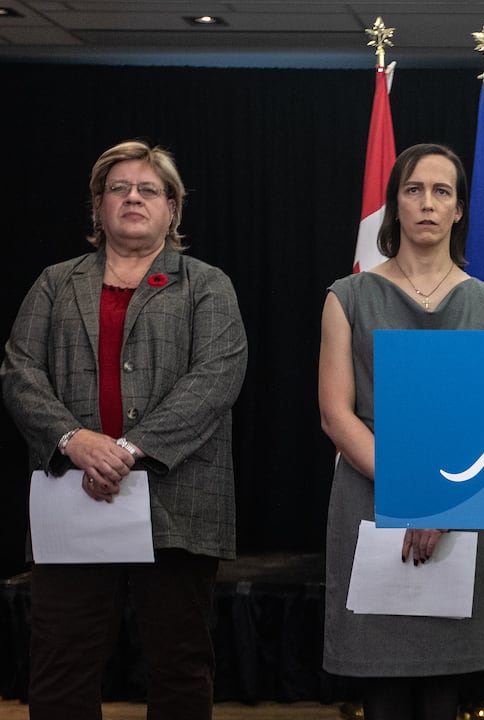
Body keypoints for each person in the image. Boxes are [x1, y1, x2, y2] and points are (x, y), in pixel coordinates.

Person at [0, 140, 248, 718]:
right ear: (98, 206)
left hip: (176, 501)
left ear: (173, 209)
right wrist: (74, 440)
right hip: (72, 496)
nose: (133, 197)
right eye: (119, 188)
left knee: (180, 665)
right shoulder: (55, 283)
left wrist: (129, 451)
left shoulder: (206, 284)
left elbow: (215, 379)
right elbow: (19, 370)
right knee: (60, 668)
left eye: (148, 189)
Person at [318, 143, 484, 720]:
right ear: (394, 206)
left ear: (459, 211)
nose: (427, 203)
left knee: (442, 695)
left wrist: (439, 502)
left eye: (442, 191)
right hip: (370, 496)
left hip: (461, 501)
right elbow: (335, 414)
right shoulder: (346, 296)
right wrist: (413, 493)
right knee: (382, 696)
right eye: (413, 190)